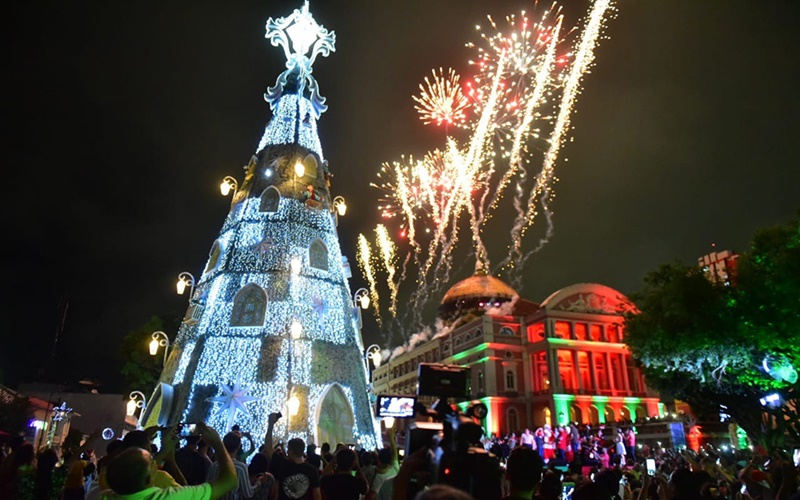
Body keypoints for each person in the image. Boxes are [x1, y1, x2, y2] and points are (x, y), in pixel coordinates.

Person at [102, 422, 237, 499]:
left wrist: (147, 437)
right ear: (150, 478)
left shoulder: (106, 495)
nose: (155, 459)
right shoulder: (168, 497)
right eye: (152, 460)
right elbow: (229, 481)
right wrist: (218, 443)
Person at [208, 432, 270, 500]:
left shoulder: (214, 466)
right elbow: (248, 493)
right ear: (238, 446)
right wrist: (259, 482)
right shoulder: (241, 468)